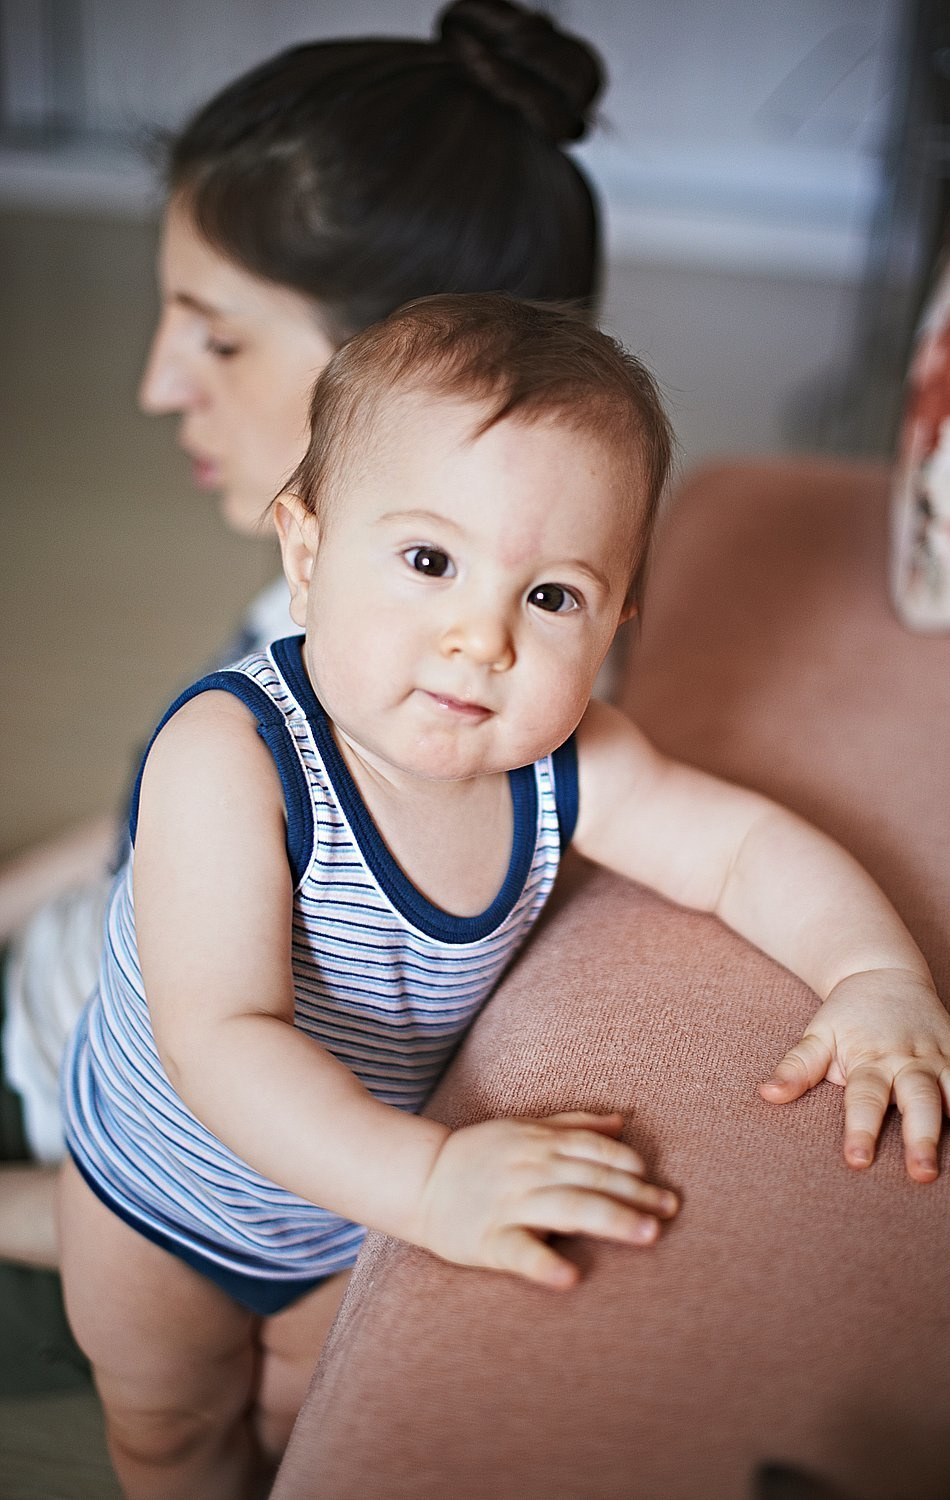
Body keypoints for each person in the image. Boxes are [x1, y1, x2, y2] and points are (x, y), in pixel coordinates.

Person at [60, 294, 950, 1500]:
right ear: (305, 554)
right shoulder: (231, 754)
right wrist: (432, 1184)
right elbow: (220, 1044)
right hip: (162, 1198)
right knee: (169, 1429)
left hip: (346, 1215)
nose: (479, 637)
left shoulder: (570, 763)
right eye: (428, 561)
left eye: (550, 596)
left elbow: (744, 851)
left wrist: (875, 980)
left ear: (616, 622)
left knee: (300, 1415)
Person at [0, 0, 606, 1326]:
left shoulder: (438, 704)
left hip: (99, 1121)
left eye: (216, 335)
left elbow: (200, 1136)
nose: (161, 384)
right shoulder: (334, 594)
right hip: (63, 959)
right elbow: (139, 838)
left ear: (391, 369)